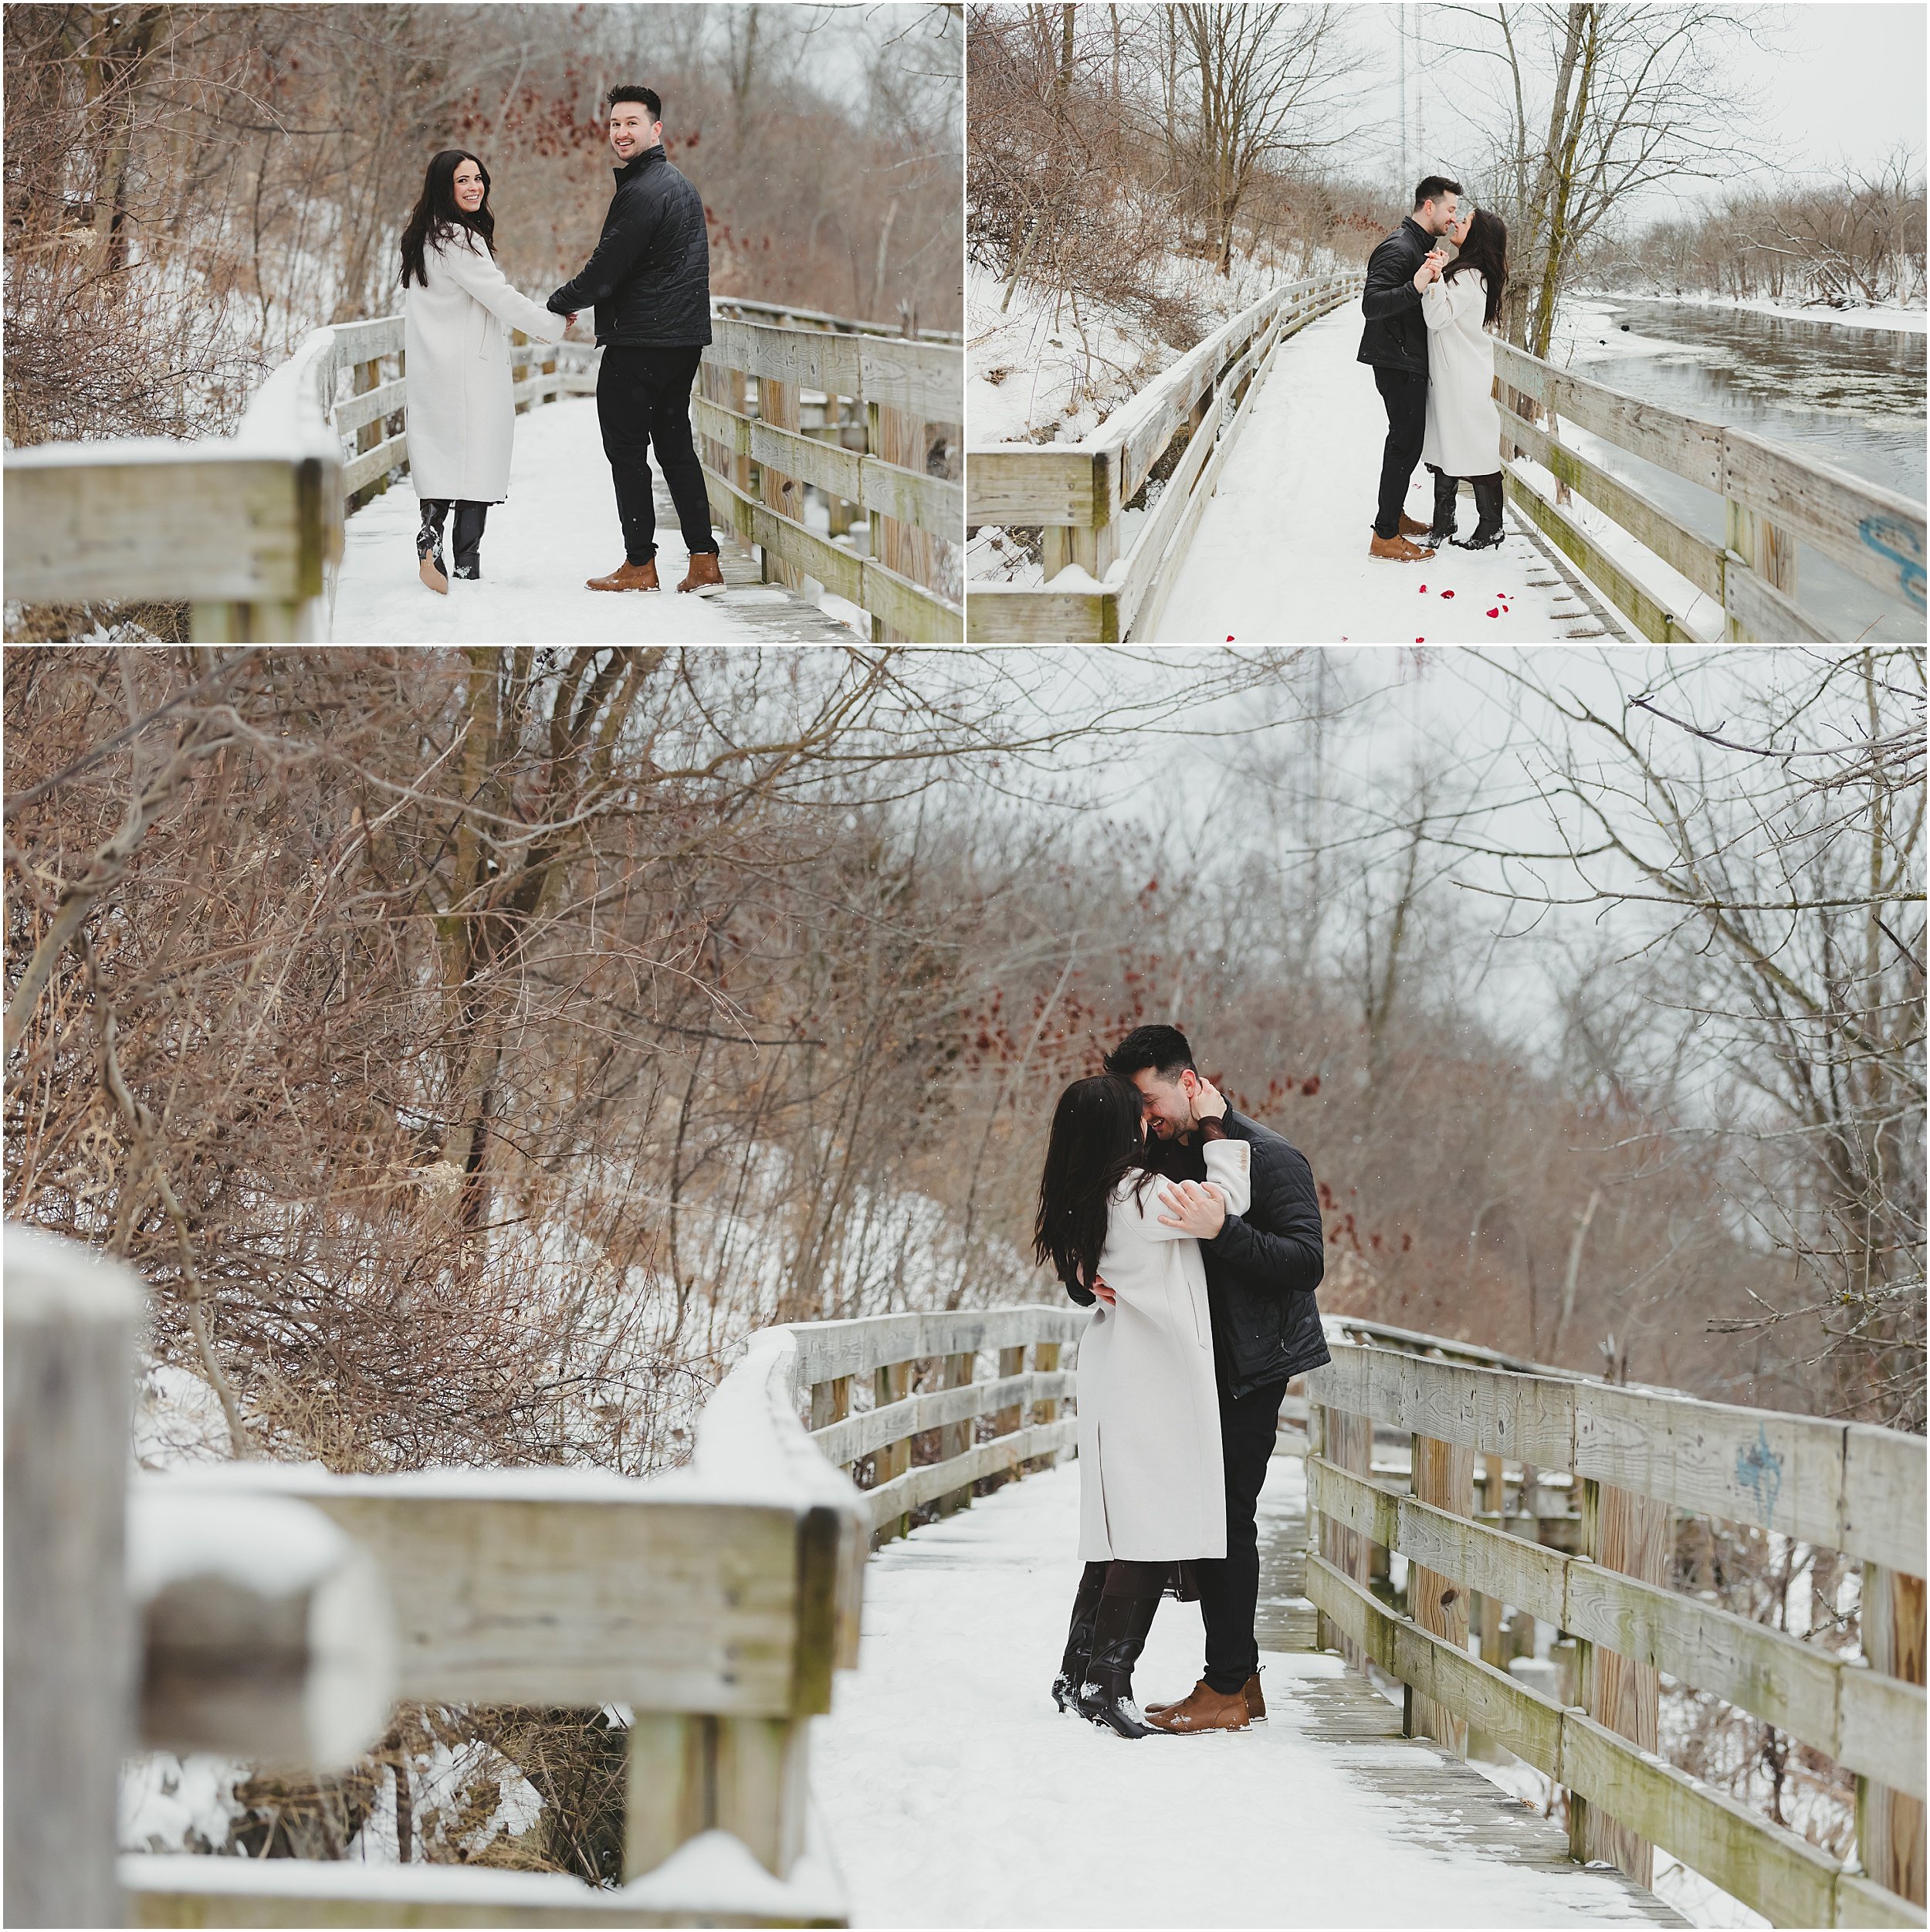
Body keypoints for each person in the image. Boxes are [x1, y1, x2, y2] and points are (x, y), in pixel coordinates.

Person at [1077, 1025, 1327, 1735]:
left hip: (1250, 1365)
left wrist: (1225, 1232)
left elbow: (1304, 1262)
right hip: (1177, 1366)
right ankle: (1235, 1680)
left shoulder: (1269, 1156)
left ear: (1187, 1082)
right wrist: (1083, 1280)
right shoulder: (1151, 1155)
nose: (1146, 1117)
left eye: (1152, 1099)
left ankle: (1226, 1686)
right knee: (1193, 1518)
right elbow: (1108, 1227)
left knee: (1226, 1521)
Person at [1034, 1070, 1251, 1738]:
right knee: (1152, 1527)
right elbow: (1226, 1205)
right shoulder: (1142, 1194)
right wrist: (1216, 1126)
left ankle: (1080, 1674)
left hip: (1117, 1368)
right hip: (1153, 1378)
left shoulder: (1087, 1194)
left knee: (1119, 1530)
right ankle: (1106, 1682)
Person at [547, 85, 725, 596]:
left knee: (626, 450)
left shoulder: (643, 192)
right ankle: (704, 561)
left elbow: (607, 271)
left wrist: (561, 301)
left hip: (641, 342)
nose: (621, 133)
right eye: (614, 124)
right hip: (682, 342)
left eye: (631, 123)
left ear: (656, 129)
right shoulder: (679, 186)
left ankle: (640, 565)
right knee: (675, 447)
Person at [399, 149, 571, 592]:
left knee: (440, 456)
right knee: (478, 462)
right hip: (470, 374)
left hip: (431, 369)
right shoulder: (460, 240)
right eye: (463, 181)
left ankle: (430, 538)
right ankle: (466, 565)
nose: (474, 187)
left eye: (478, 179)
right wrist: (551, 325)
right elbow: (503, 298)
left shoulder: (424, 238)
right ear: (445, 187)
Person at [1357, 175, 1462, 563]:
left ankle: (1393, 516)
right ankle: (1385, 536)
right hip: (1396, 360)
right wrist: (1417, 285)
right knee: (1404, 444)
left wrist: (1434, 276)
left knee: (1406, 443)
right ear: (1429, 206)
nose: (1454, 219)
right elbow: (1371, 305)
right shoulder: (1398, 247)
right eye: (1451, 210)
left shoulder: (1418, 246)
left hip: (1406, 357)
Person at [1420, 206, 1512, 552]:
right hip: (1456, 374)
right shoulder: (1470, 273)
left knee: (1473, 448)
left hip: (1459, 377)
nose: (1456, 222)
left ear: (1477, 235)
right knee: (1449, 444)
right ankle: (1445, 521)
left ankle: (1491, 525)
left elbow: (1437, 317)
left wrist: (1434, 279)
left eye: (1465, 221)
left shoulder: (1468, 276)